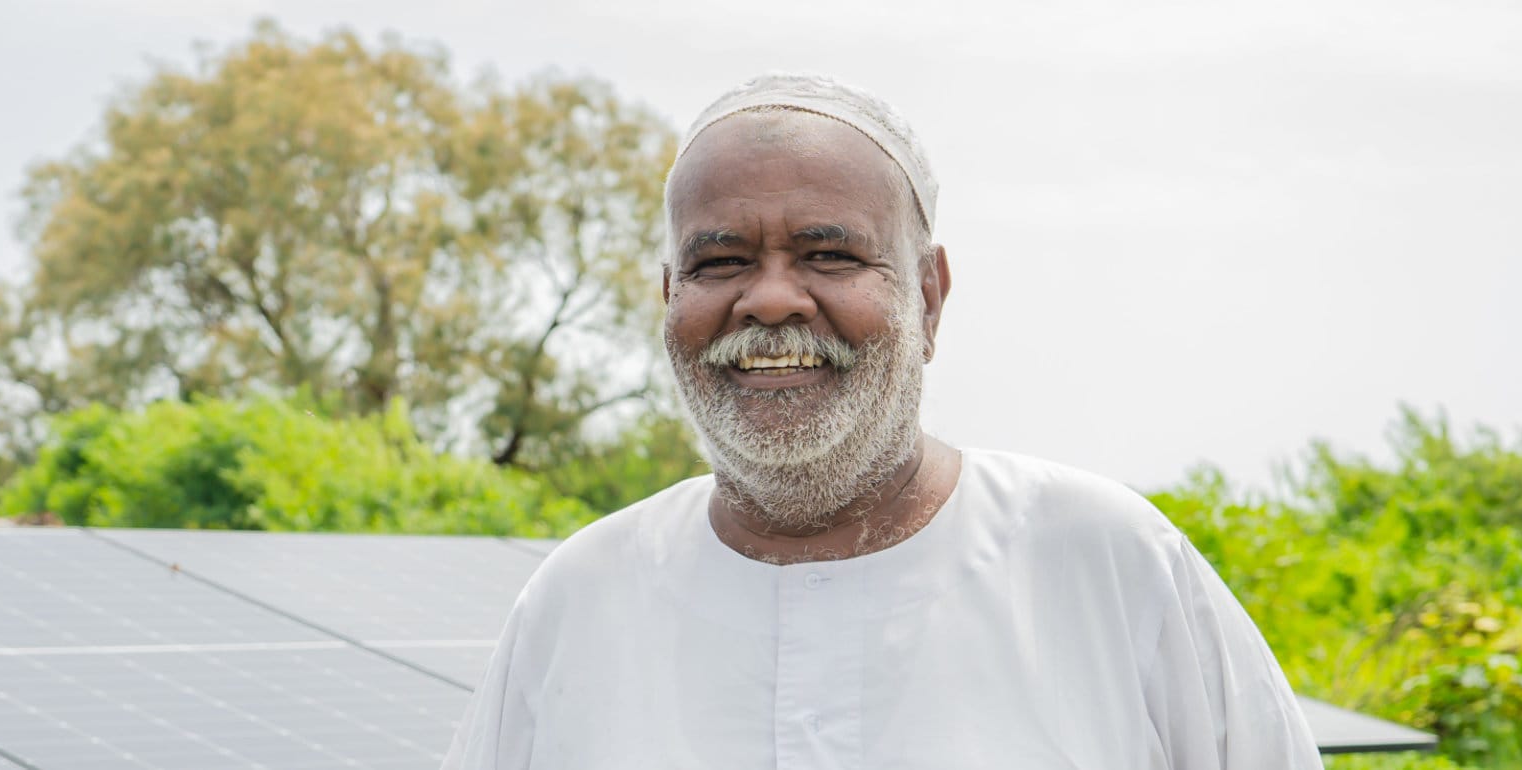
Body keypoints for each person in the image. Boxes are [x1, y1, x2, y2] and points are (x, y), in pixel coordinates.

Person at [442, 73, 1320, 769]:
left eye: (829, 254)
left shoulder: (1108, 562)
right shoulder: (580, 598)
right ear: (672, 299)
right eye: (721, 261)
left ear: (928, 297)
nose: (773, 298)